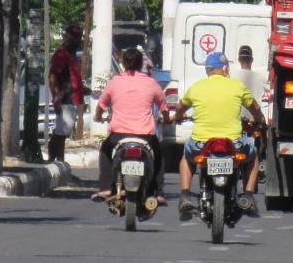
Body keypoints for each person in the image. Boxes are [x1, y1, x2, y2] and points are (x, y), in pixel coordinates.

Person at [174, 52, 266, 221]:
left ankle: (185, 194)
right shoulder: (237, 86)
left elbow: (180, 107)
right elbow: (255, 108)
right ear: (225, 68)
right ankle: (249, 195)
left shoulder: (197, 87)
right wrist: (258, 119)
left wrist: (178, 116)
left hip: (201, 143)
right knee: (253, 156)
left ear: (207, 70)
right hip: (233, 142)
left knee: (187, 157)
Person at [93, 48, 168, 205]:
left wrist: (98, 116)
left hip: (118, 135)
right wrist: (166, 119)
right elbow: (163, 107)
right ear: (141, 64)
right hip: (145, 135)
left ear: (123, 63)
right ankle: (159, 193)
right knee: (159, 156)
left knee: (105, 151)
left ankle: (106, 187)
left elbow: (101, 105)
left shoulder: (115, 82)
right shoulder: (151, 83)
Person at [48, 24, 86, 163]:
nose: (76, 40)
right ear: (66, 37)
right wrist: (56, 96)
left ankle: (60, 162)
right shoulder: (62, 53)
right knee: (60, 133)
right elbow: (52, 76)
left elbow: (72, 78)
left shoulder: (72, 55)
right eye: (73, 37)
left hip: (72, 98)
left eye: (78, 37)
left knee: (63, 132)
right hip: (65, 98)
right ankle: (55, 161)